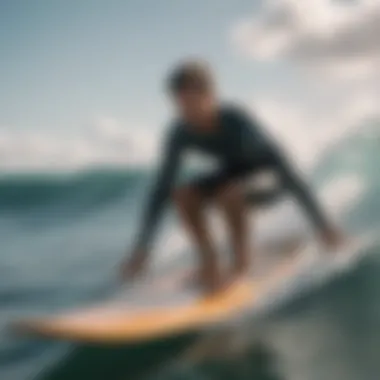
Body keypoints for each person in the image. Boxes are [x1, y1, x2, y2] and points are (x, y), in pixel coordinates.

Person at [121, 60, 343, 294]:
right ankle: (210, 262)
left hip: (269, 182)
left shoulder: (236, 121)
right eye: (180, 104)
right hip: (232, 178)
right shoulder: (180, 132)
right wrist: (142, 249)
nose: (186, 112)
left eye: (192, 102)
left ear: (210, 95)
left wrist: (323, 226)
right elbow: (161, 189)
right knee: (182, 194)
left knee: (229, 191)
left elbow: (284, 168)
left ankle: (240, 266)